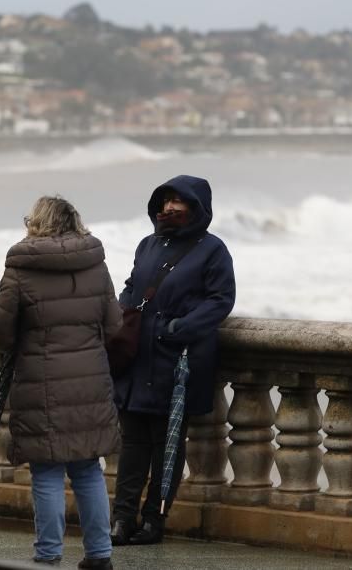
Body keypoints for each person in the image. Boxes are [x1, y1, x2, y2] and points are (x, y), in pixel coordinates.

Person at [0, 196, 121, 569]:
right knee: (87, 469)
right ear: (74, 221)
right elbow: (114, 325)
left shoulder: (21, 265)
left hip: (40, 382)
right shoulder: (96, 263)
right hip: (90, 382)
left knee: (46, 472)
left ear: (36, 222)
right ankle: (99, 555)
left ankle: (48, 557)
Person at [111, 175, 235, 546]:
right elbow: (132, 287)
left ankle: (154, 520)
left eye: (179, 201)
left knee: (167, 444)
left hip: (177, 361)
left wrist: (178, 328)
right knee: (132, 443)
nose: (170, 207)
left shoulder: (213, 250)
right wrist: (120, 315)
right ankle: (122, 518)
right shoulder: (147, 245)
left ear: (197, 208)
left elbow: (220, 299)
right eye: (165, 201)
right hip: (136, 360)